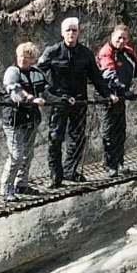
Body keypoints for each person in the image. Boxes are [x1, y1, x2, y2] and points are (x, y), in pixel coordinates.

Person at [37, 17, 118, 188]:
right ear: (62, 33)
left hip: (79, 101)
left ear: (78, 32)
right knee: (55, 138)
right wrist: (47, 94)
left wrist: (108, 94)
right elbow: (37, 75)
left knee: (77, 138)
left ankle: (70, 171)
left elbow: (96, 77)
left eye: (74, 30)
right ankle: (55, 176)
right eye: (68, 30)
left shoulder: (86, 53)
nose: (71, 33)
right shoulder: (52, 52)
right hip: (59, 102)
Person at [96, 24, 137, 176]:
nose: (121, 41)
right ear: (112, 37)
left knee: (121, 130)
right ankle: (109, 165)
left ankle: (119, 163)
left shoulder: (128, 52)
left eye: (124, 38)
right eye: (118, 37)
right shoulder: (106, 52)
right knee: (108, 130)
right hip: (106, 96)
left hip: (120, 96)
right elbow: (108, 74)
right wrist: (123, 90)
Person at [0, 41, 50, 201]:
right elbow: (14, 92)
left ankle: (21, 184)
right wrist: (30, 98)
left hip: (31, 119)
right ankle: (6, 188)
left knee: (28, 154)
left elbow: (47, 91)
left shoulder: (36, 73)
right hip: (14, 119)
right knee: (17, 154)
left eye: (28, 57)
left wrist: (61, 98)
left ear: (33, 59)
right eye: (21, 56)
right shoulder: (12, 71)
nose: (23, 59)